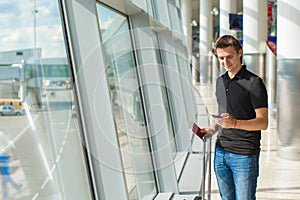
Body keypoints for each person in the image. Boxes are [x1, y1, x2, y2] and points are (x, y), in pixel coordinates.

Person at [207, 35, 268, 200]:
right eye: (221, 58)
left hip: (244, 155)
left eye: (229, 57)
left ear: (239, 53)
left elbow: (263, 122)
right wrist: (211, 129)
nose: (225, 62)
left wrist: (234, 123)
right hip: (220, 153)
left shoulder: (254, 83)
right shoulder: (221, 81)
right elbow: (221, 114)